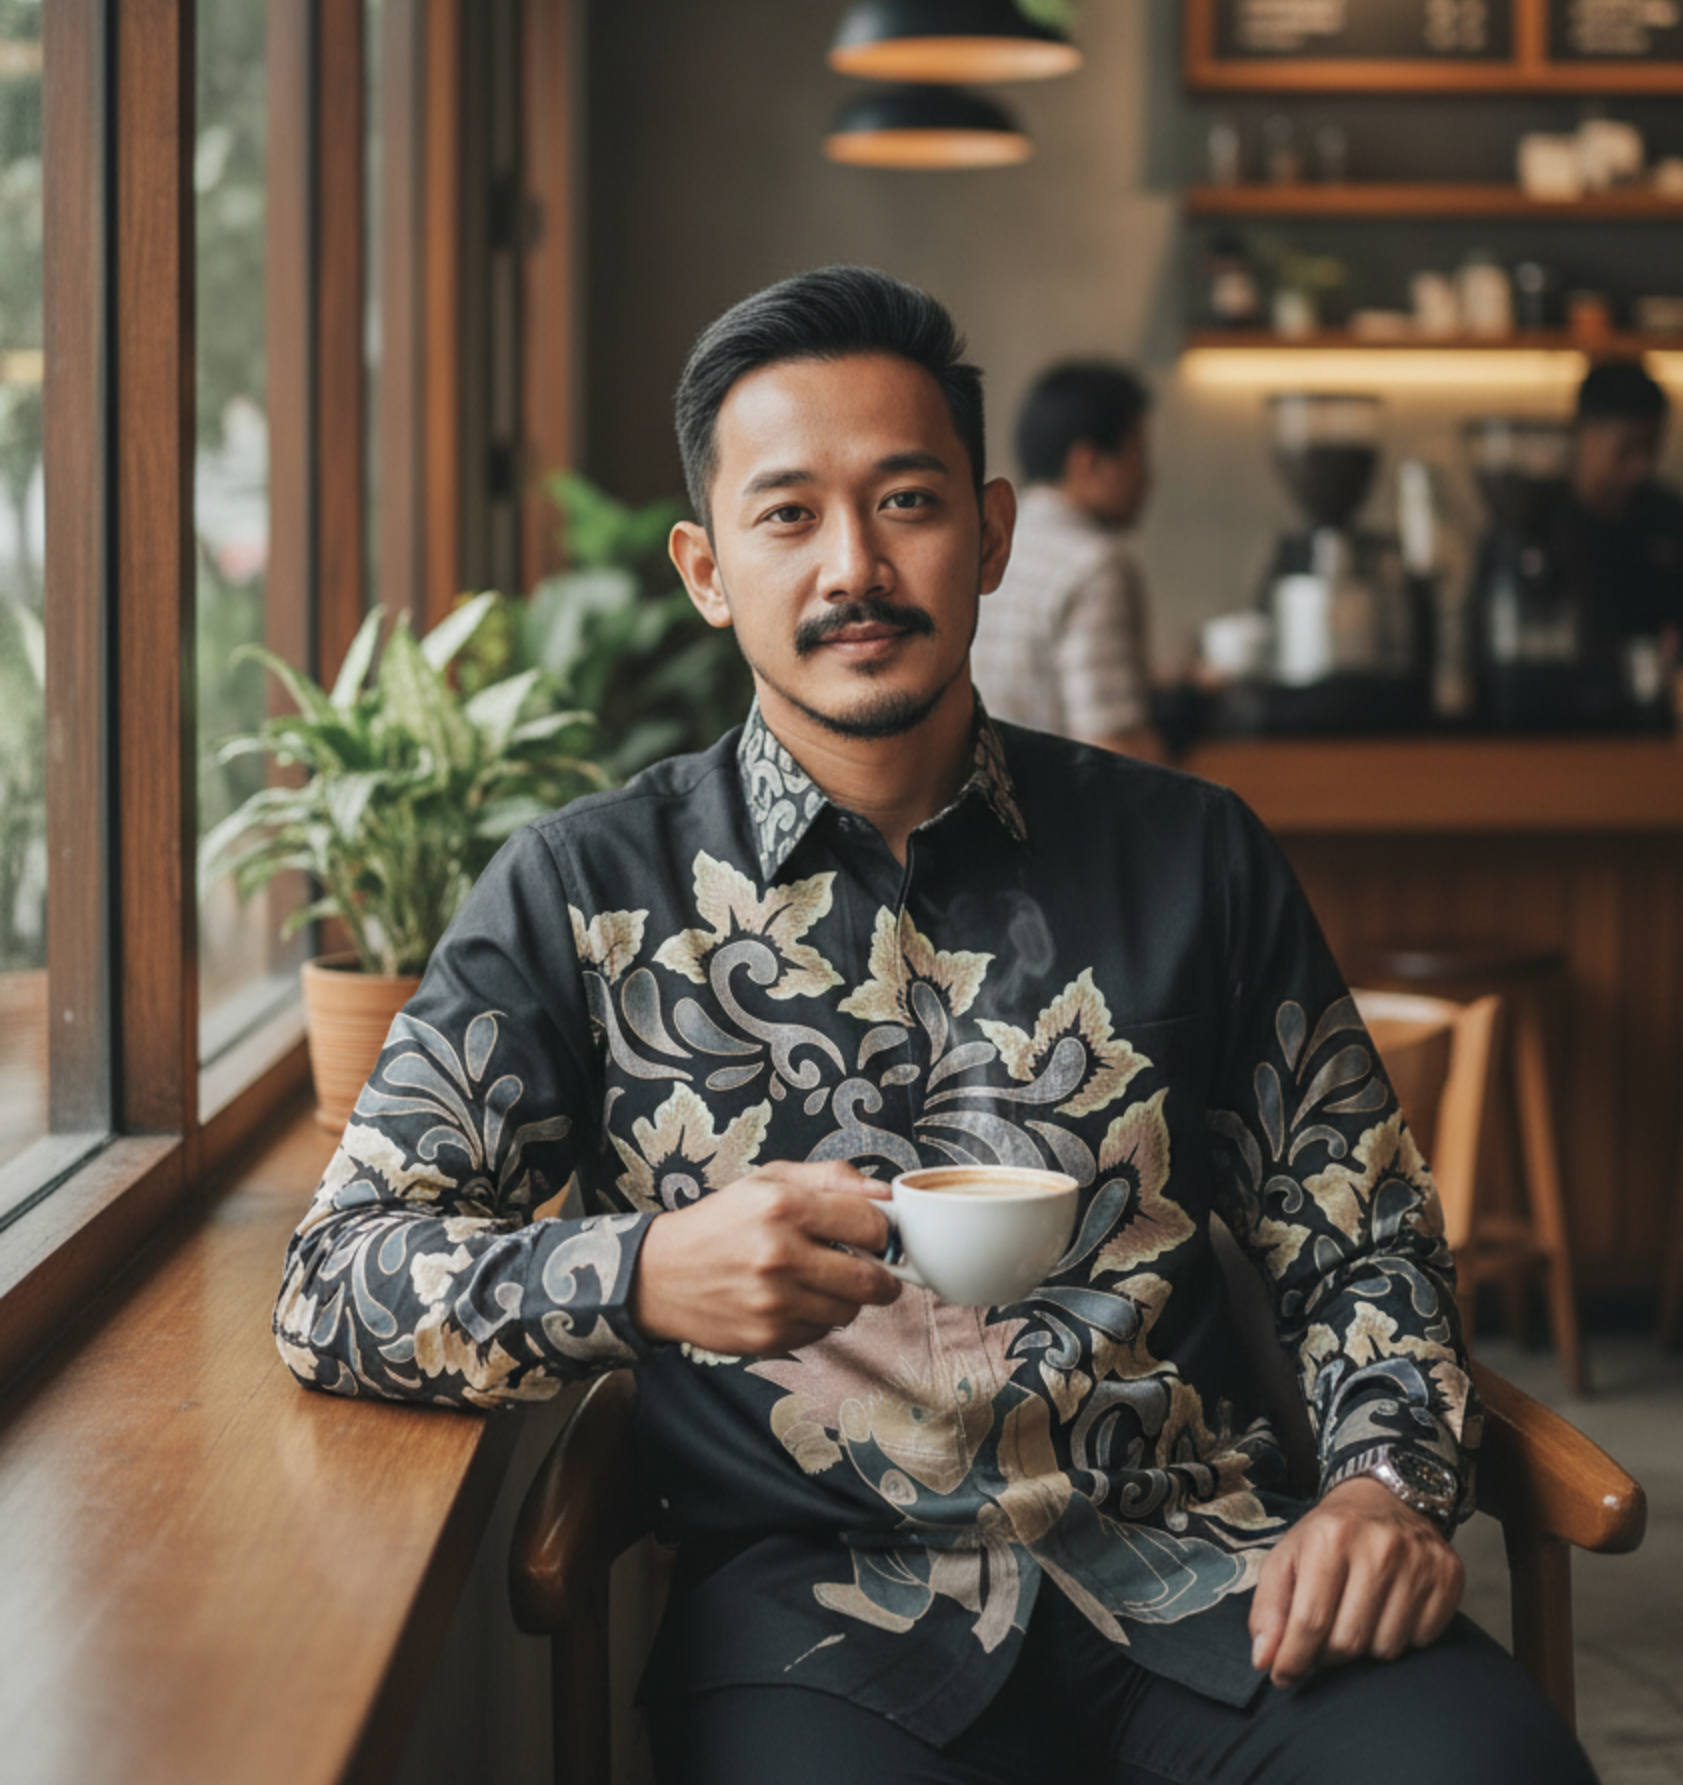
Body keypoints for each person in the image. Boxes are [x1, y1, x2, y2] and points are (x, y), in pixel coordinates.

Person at [274, 268, 1591, 1785]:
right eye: (788, 515)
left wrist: (1381, 1487)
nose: (856, 567)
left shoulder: (1193, 855)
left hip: (1219, 1580)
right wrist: (640, 1273)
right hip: (818, 1628)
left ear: (992, 535)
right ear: (707, 569)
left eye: (906, 502)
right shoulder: (583, 893)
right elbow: (334, 1278)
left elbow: (1363, 1236)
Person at [971, 359, 1171, 761]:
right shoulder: (1094, 565)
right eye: (1137, 456)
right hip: (1049, 799)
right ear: (1087, 462)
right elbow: (1112, 749)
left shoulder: (988, 540)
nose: (1147, 478)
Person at [1554, 359, 1683, 720]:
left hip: (1657, 718)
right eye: (1625, 451)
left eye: (1651, 449)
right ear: (1584, 433)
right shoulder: (1538, 519)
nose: (1641, 466)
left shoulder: (1668, 514)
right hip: (1556, 722)